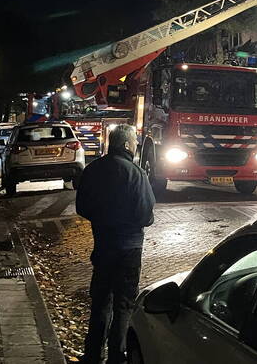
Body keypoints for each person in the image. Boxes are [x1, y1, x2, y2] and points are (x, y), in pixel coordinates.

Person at [76, 125, 155, 364]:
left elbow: (82, 207)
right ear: (128, 145)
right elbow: (146, 215)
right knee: (123, 304)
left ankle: (92, 354)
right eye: (134, 143)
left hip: (103, 246)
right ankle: (116, 356)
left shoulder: (93, 170)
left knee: (100, 300)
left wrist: (103, 219)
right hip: (129, 249)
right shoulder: (137, 174)